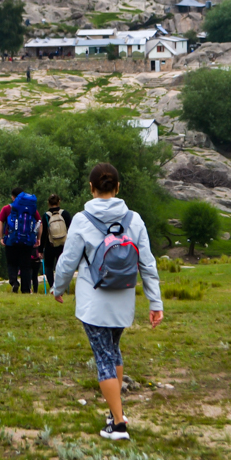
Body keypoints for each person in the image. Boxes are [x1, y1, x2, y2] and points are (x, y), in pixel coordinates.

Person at [52, 162, 164, 441]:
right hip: (123, 301)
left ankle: (118, 425)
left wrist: (58, 287)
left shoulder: (81, 220)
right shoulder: (134, 220)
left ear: (91, 188)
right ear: (118, 188)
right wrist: (155, 302)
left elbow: (68, 261)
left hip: (94, 304)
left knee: (103, 358)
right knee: (113, 351)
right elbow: (147, 263)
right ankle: (117, 412)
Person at [0, 188, 42, 294]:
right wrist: (38, 238)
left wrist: (1, 237)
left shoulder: (7, 208)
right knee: (25, 266)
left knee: (12, 263)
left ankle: (14, 282)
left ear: (13, 197)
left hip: (11, 241)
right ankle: (25, 289)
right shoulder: (31, 208)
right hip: (27, 241)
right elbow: (40, 222)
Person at [41, 194, 72, 289]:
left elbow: (43, 234)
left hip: (50, 245)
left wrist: (40, 249)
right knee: (61, 266)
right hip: (63, 245)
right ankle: (61, 286)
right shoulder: (64, 214)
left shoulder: (46, 216)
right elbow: (71, 229)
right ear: (59, 202)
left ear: (48, 203)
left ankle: (52, 287)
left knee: (49, 267)